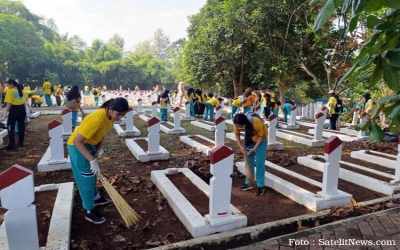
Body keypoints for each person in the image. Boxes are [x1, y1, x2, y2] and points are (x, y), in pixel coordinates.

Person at [67, 97, 129, 224]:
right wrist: (91, 160)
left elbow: (102, 134)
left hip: (90, 145)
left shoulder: (111, 117)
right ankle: (89, 210)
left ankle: (95, 197)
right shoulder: (96, 119)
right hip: (78, 147)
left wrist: (97, 150)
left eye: (123, 115)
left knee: (93, 175)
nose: (120, 117)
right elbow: (77, 141)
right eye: (118, 114)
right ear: (110, 109)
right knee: (87, 178)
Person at [233, 113, 268, 196]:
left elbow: (261, 136)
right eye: (238, 126)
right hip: (249, 139)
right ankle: (249, 182)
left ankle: (260, 186)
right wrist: (240, 146)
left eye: (241, 126)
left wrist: (254, 148)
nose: (239, 128)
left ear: (246, 123)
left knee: (260, 162)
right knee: (248, 161)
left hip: (261, 140)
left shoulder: (256, 122)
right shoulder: (236, 123)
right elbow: (237, 134)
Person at [2, 79, 28, 150]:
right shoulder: (22, 91)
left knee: (10, 127)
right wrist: (25, 112)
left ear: (11, 84)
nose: (7, 86)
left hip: (14, 110)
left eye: (8, 85)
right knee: (21, 126)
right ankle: (20, 142)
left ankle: (12, 144)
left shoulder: (10, 91)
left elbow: (9, 103)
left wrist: (5, 113)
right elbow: (24, 103)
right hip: (22, 110)